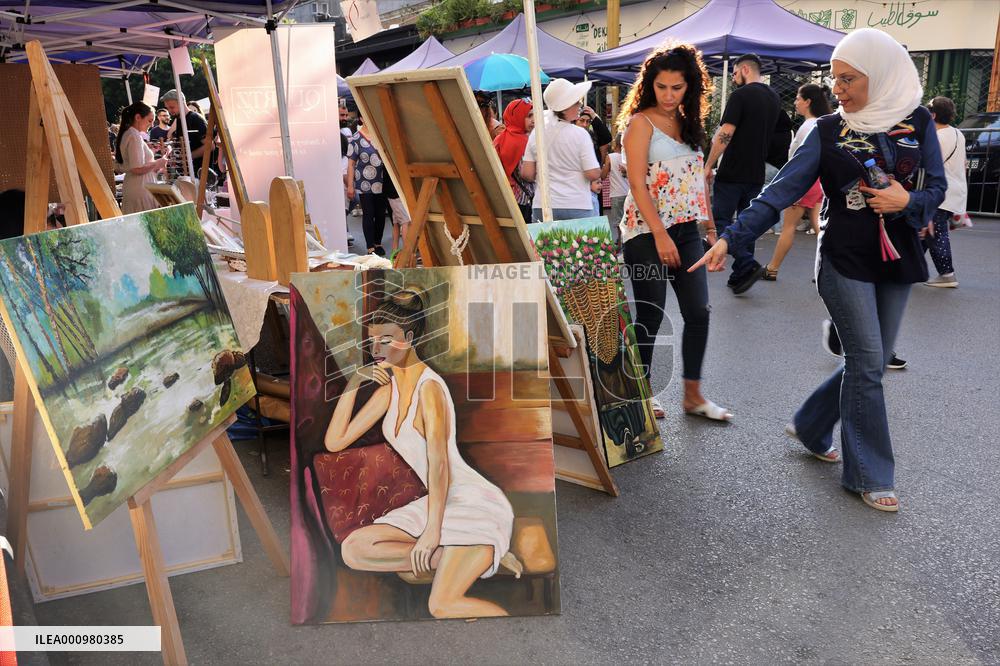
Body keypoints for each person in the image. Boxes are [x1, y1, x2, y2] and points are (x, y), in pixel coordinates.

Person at [691, 29, 946, 512]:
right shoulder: (827, 130)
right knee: (868, 362)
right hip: (843, 258)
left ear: (881, 75)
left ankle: (811, 424)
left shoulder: (916, 120)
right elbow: (781, 191)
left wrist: (908, 201)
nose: (838, 88)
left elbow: (938, 188)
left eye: (849, 79)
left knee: (871, 361)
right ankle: (869, 474)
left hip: (899, 255)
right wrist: (730, 237)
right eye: (835, 78)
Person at [324, 289, 520, 618]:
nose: (376, 349)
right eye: (372, 341)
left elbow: (439, 465)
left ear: (410, 338)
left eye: (386, 340)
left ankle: (476, 551)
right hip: (435, 501)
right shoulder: (388, 392)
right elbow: (335, 442)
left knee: (441, 606)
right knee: (354, 550)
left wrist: (432, 531)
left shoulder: (429, 388)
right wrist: (354, 382)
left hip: (469, 499)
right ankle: (472, 558)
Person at [617, 43, 730, 422]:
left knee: (698, 311)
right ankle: (641, 393)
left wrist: (711, 228)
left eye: (677, 88)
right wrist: (660, 235)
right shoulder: (640, 124)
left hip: (686, 232)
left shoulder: (689, 124)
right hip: (645, 234)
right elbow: (637, 184)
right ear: (650, 85)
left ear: (690, 86)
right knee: (651, 314)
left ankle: (693, 396)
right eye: (661, 87)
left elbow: (699, 180)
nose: (668, 95)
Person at [704, 53, 780, 294]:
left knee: (721, 221)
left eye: (735, 73)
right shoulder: (774, 98)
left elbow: (725, 133)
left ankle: (746, 264)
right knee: (747, 224)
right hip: (756, 171)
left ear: (745, 69)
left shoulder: (741, 95)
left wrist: (708, 164)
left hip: (732, 170)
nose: (734, 78)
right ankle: (740, 274)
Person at [763, 84, 833, 280]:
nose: (795, 102)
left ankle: (773, 268)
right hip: (817, 181)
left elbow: (797, 159)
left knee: (788, 226)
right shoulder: (821, 123)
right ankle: (828, 268)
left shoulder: (808, 126)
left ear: (807, 102)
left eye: (797, 99)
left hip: (803, 181)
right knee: (818, 225)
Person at [520, 78, 602, 222]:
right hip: (577, 204)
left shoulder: (537, 133)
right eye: (576, 102)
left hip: (543, 204)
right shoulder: (580, 134)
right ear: (566, 106)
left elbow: (527, 173)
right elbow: (592, 173)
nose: (580, 105)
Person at [923, 96, 965, 288]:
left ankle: (947, 274)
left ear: (932, 115)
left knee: (935, 233)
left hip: (938, 192)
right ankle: (909, 269)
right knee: (925, 231)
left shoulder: (936, 137)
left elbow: (928, 164)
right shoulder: (958, 133)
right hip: (955, 190)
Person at [115, 101, 169, 214]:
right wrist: (158, 162)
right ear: (138, 117)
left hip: (137, 187)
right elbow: (137, 169)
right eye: (149, 120)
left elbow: (134, 164)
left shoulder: (130, 134)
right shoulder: (134, 136)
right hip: (140, 190)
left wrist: (150, 153)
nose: (152, 125)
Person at [346, 118, 388, 255]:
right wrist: (350, 186)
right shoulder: (355, 138)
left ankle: (378, 242)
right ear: (361, 119)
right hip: (364, 183)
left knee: (380, 214)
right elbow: (351, 164)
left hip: (382, 181)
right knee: (369, 214)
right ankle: (370, 246)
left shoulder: (380, 135)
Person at [492, 98, 535, 225]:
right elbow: (527, 175)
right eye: (528, 116)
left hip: (503, 198)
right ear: (518, 116)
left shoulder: (500, 138)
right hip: (522, 200)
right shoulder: (524, 142)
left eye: (534, 115)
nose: (533, 120)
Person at [161, 89, 209, 162]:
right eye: (167, 108)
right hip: (187, 167)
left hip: (200, 167)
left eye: (172, 107)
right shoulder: (179, 119)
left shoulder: (195, 118)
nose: (169, 111)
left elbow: (210, 146)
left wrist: (187, 157)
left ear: (181, 103)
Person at [605, 132, 629, 246]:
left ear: (616, 143)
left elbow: (603, 175)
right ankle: (626, 241)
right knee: (628, 219)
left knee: (618, 221)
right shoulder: (630, 156)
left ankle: (620, 242)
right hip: (629, 192)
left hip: (616, 193)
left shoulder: (610, 157)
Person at [383, 174, 410, 256]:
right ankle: (407, 253)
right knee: (406, 222)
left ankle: (394, 250)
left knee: (396, 222)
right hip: (396, 192)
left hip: (391, 191)